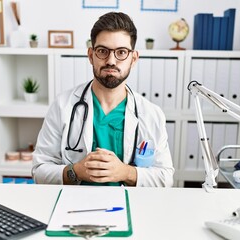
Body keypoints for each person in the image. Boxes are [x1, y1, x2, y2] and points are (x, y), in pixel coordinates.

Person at [32, 12, 174, 187]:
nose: (111, 61)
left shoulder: (151, 114)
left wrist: (125, 172)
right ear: (91, 55)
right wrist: (75, 172)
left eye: (121, 52)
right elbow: (39, 171)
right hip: (73, 206)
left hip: (128, 207)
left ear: (134, 58)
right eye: (102, 51)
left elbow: (165, 178)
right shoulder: (63, 106)